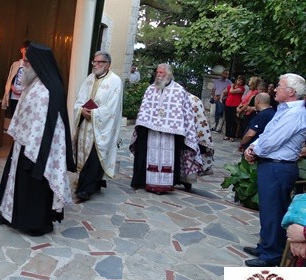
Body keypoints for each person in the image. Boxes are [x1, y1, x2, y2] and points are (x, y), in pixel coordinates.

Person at [0, 42, 75, 236]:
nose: (24, 65)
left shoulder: (49, 89)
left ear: (38, 64)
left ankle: (36, 223)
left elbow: (49, 125)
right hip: (24, 143)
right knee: (18, 180)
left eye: (28, 62)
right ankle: (11, 214)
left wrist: (35, 149)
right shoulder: (35, 83)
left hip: (39, 149)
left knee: (33, 185)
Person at [242, 74, 306, 267]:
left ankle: (271, 254)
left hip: (279, 166)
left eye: (279, 86)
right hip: (272, 164)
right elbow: (267, 134)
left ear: (291, 92)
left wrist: (254, 151)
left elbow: (273, 140)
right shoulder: (284, 110)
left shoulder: (295, 113)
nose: (275, 89)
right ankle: (265, 246)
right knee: (268, 210)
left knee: (274, 212)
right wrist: (252, 148)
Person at [130, 64, 202, 194]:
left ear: (168, 74)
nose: (158, 75)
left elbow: (186, 113)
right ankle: (144, 181)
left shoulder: (178, 90)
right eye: (157, 72)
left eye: (161, 73)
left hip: (171, 134)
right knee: (147, 154)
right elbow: (144, 109)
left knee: (168, 158)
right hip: (150, 131)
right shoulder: (151, 89)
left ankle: (166, 184)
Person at [72, 51, 123, 200]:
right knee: (84, 155)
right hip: (85, 125)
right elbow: (79, 99)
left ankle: (86, 189)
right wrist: (81, 110)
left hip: (101, 127)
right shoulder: (89, 78)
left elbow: (113, 107)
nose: (95, 65)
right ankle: (89, 183)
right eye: (94, 62)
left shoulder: (115, 81)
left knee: (95, 156)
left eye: (99, 62)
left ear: (108, 64)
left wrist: (94, 113)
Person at [2, 40, 30, 118]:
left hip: (25, 97)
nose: (27, 52)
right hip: (14, 97)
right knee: (13, 117)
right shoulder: (16, 64)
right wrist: (12, 87)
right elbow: (9, 78)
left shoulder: (33, 66)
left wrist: (24, 91)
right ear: (22, 50)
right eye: (26, 49)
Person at [223, 75, 245, 142]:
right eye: (239, 80)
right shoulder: (231, 86)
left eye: (241, 81)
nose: (239, 82)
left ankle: (232, 136)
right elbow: (225, 92)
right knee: (228, 120)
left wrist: (232, 86)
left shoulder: (241, 88)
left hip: (235, 105)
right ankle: (227, 135)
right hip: (228, 104)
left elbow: (231, 91)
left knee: (233, 121)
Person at [211, 69, 232, 133]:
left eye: (227, 74)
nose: (225, 75)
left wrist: (220, 97)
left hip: (222, 99)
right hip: (215, 98)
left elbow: (227, 92)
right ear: (222, 74)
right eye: (224, 73)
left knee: (221, 114)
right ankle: (212, 126)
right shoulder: (217, 81)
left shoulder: (229, 83)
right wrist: (214, 96)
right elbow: (213, 89)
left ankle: (218, 128)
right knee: (212, 113)